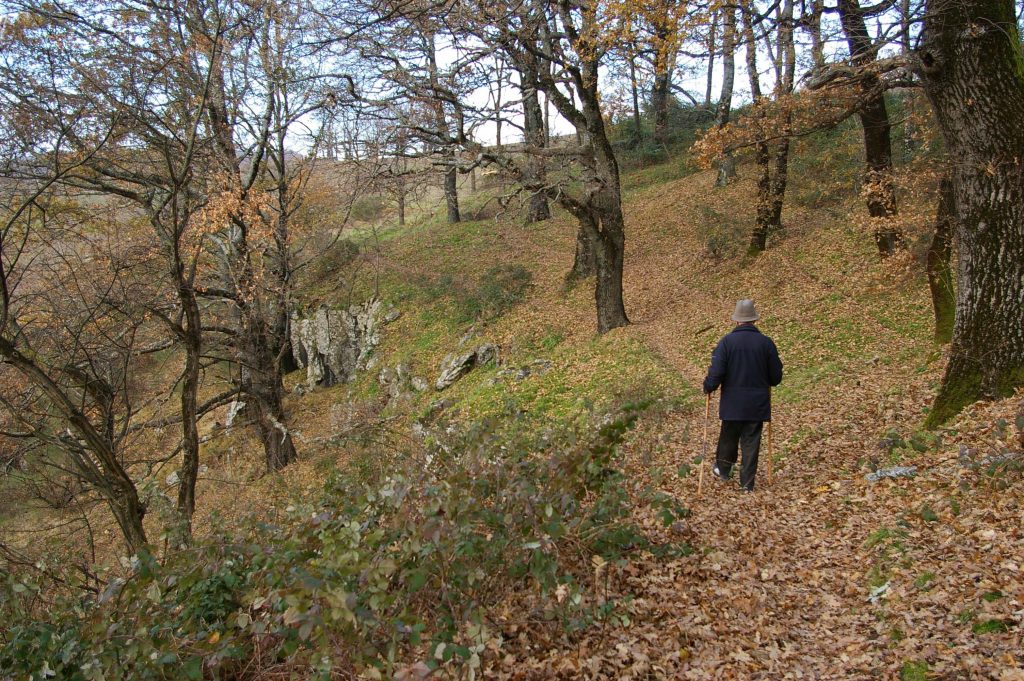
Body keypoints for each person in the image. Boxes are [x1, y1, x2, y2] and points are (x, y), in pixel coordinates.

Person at [702, 299, 783, 491]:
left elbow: (717, 371)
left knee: (729, 436)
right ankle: (747, 484)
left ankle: (723, 469)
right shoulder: (766, 343)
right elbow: (776, 377)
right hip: (757, 404)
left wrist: (708, 386)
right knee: (751, 442)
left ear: (737, 321)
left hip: (732, 403)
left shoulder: (727, 343)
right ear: (754, 320)